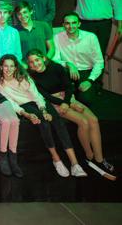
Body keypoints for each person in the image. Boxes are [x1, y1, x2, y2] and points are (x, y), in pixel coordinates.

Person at [26, 49, 115, 180]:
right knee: (83, 122)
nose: (35, 64)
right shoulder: (32, 77)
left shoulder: (56, 67)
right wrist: (63, 103)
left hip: (68, 99)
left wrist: (69, 101)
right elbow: (45, 96)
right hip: (55, 104)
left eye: (37, 60)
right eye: (31, 62)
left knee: (94, 120)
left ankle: (100, 158)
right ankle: (89, 156)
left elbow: (68, 86)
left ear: (43, 58)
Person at [0, 54, 87, 178]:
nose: (9, 69)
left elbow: (36, 95)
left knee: (58, 123)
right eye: (6, 66)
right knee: (44, 124)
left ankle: (75, 164)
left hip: (39, 102)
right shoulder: (0, 84)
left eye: (12, 66)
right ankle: (56, 159)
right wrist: (26, 114)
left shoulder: (23, 77)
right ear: (1, 67)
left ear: (16, 67)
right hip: (24, 106)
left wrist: (43, 109)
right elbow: (12, 103)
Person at [52, 12, 104, 107]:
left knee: (86, 100)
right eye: (67, 23)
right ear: (63, 25)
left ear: (79, 24)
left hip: (86, 72)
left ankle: (88, 90)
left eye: (74, 23)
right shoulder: (57, 37)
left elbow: (99, 62)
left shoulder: (91, 37)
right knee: (61, 98)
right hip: (67, 71)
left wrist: (90, 80)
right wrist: (68, 64)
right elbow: (55, 58)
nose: (70, 26)